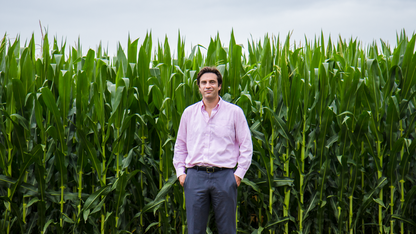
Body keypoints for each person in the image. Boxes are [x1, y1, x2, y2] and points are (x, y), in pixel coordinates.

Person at [173, 66, 253, 234]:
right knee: (195, 230)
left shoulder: (234, 112)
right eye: (204, 82)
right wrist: (181, 172)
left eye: (212, 82)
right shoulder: (189, 113)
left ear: (219, 86)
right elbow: (180, 145)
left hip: (224, 176)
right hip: (195, 176)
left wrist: (238, 175)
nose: (208, 85)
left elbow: (246, 146)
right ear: (199, 86)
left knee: (227, 230)